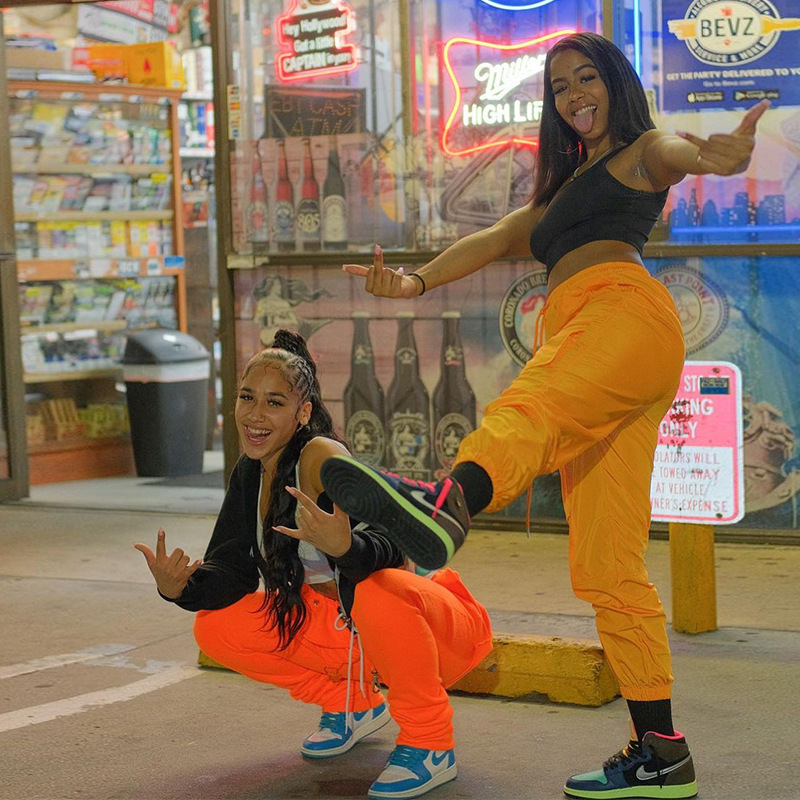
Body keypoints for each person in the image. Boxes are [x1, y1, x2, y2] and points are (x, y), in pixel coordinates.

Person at [318, 32, 768, 800]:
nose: (573, 95)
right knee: (607, 567)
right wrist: (415, 284)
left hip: (620, 317)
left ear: (616, 83)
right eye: (560, 87)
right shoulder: (561, 192)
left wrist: (712, 158)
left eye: (586, 78)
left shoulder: (640, 151)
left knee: (532, 407)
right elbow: (495, 237)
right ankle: (661, 753)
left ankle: (448, 504)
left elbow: (675, 154)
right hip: (607, 343)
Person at [134, 330, 492, 800]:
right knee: (216, 627)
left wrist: (346, 547)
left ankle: (430, 743)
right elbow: (234, 572)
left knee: (376, 588)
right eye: (247, 397)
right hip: (348, 634)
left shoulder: (321, 457)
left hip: (433, 629)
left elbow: (397, 549)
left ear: (302, 413)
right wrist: (181, 588)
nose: (255, 414)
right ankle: (350, 704)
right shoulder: (251, 471)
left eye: (274, 403)